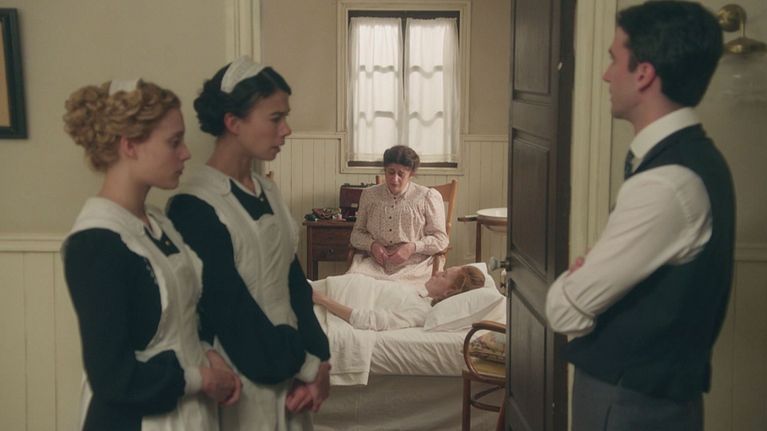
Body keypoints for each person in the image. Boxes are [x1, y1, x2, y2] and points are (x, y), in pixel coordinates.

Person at [545, 2, 734, 430]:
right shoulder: (693, 160)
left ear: (644, 73)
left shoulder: (667, 184)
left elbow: (563, 310)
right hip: (645, 398)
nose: (606, 74)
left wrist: (580, 279)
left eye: (614, 59)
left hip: (628, 404)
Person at [61, 79, 241, 430]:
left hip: (188, 413)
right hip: (137, 419)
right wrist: (201, 379)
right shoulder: (95, 243)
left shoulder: (159, 223)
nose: (186, 153)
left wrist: (208, 352)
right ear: (129, 146)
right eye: (174, 142)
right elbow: (112, 378)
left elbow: (181, 316)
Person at [166, 56, 331, 430]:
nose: (286, 129)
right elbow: (231, 311)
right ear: (233, 122)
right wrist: (305, 365)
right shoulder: (195, 206)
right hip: (242, 372)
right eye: (275, 118)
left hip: (292, 367)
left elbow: (294, 283)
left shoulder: (268, 191)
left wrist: (320, 361)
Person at [348, 145, 449, 285]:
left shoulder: (427, 197)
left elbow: (441, 239)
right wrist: (372, 245)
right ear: (384, 170)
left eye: (401, 174)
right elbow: (356, 234)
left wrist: (412, 247)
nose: (394, 179)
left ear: (411, 174)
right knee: (351, 287)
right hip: (374, 265)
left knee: (402, 293)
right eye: (390, 172)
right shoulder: (369, 195)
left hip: (414, 267)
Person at [313, 265, 485, 331]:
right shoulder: (421, 296)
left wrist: (323, 300)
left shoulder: (421, 311)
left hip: (333, 296)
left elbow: (369, 320)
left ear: (448, 292)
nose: (437, 272)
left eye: (444, 275)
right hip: (337, 287)